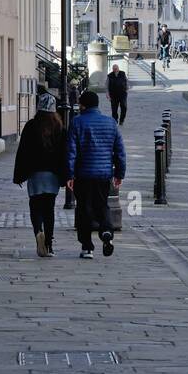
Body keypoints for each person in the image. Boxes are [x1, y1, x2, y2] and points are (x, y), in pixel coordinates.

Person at [66, 91, 127, 259]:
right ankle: (106, 231)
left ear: (83, 105)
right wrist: (119, 173)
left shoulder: (77, 122)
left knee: (84, 208)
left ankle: (87, 247)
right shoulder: (111, 123)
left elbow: (71, 152)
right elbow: (120, 151)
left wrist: (69, 175)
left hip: (83, 174)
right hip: (103, 173)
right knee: (102, 205)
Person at [13, 92, 65, 258]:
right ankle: (49, 245)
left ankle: (38, 232)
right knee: (49, 210)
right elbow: (65, 153)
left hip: (35, 175)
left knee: (35, 207)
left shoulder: (31, 126)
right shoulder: (59, 127)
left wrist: (19, 175)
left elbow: (22, 152)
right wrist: (65, 175)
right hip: (53, 176)